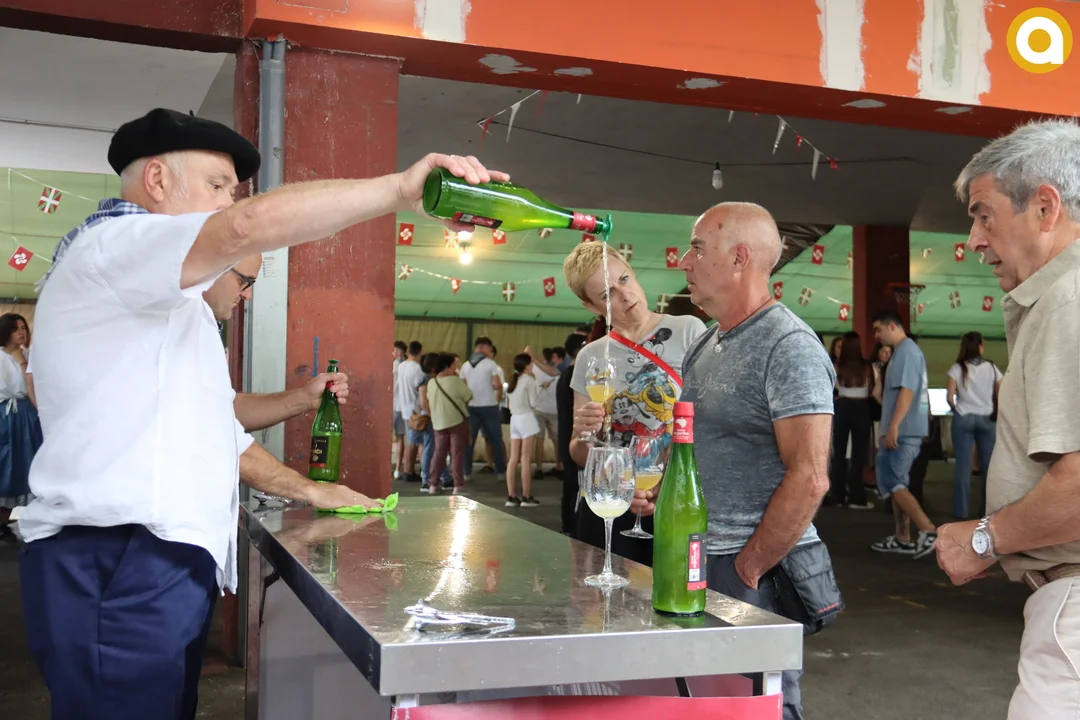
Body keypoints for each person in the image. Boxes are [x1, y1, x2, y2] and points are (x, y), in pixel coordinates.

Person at [16, 106, 505, 719]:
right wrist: (401, 190)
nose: (230, 203)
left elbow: (213, 422)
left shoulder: (165, 299)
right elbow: (244, 228)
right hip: (116, 556)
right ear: (158, 181)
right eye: (218, 185)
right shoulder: (115, 243)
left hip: (154, 558)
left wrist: (310, 483)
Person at [658, 202, 836, 720]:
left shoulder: (789, 345)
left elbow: (810, 476)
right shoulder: (707, 341)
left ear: (739, 258)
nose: (684, 262)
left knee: (761, 707)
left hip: (746, 571)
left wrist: (749, 568)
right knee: (704, 705)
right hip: (697, 560)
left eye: (697, 249)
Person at [937, 119, 1080, 719]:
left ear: (1045, 207)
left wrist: (984, 539)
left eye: (984, 215)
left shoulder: (1068, 301)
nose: (974, 239)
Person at [567, 242, 707, 565]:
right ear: (591, 306)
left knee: (674, 588)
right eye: (607, 294)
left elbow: (707, 422)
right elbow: (578, 451)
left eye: (624, 279)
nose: (624, 295)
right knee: (605, 594)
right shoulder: (590, 356)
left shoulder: (689, 331)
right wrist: (585, 432)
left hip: (674, 495)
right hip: (610, 505)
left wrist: (663, 482)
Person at [869, 310, 937, 559]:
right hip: (901, 429)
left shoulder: (907, 352)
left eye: (878, 329)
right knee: (895, 484)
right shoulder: (904, 352)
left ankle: (929, 530)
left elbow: (907, 391)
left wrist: (894, 425)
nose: (876, 336)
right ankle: (903, 537)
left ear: (892, 326)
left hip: (904, 431)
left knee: (894, 482)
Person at [945, 331, 1001, 519]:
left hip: (963, 417)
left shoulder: (957, 368)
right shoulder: (992, 368)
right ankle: (987, 511)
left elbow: (949, 397)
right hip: (987, 418)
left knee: (963, 467)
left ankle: (961, 512)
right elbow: (1000, 392)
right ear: (979, 347)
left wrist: (956, 409)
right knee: (988, 468)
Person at [0, 313, 42, 542]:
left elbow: (33, 382)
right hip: (6, 415)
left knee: (25, 466)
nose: (21, 332)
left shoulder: (27, 355)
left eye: (23, 328)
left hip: (26, 414)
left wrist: (23, 361)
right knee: (5, 466)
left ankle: (8, 522)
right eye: (16, 329)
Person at [830, 330, 874, 509]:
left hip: (842, 407)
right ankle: (856, 497)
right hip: (862, 408)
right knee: (858, 455)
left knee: (838, 453)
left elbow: (832, 388)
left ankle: (837, 496)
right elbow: (872, 390)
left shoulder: (837, 367)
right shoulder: (867, 367)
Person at [556, 332, 588, 536]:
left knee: (571, 485)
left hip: (567, 437)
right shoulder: (575, 375)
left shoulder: (565, 374)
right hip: (575, 439)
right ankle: (571, 528)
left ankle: (568, 527)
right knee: (574, 486)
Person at [505, 352, 541, 507]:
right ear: (526, 366)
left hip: (514, 419)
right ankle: (526, 496)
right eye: (531, 363)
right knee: (526, 459)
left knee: (513, 459)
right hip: (526, 419)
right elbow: (534, 403)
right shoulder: (529, 380)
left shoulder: (513, 380)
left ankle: (511, 496)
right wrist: (541, 389)